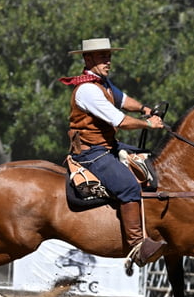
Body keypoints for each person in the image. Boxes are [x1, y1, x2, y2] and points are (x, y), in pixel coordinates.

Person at [60, 37, 166, 268]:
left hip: (107, 147)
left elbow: (124, 101)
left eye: (108, 56)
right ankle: (137, 245)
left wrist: (144, 108)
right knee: (128, 185)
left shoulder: (102, 83)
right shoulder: (87, 89)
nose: (108, 61)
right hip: (90, 154)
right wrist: (149, 124)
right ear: (88, 59)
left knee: (147, 158)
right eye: (101, 57)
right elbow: (119, 120)